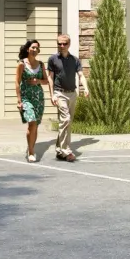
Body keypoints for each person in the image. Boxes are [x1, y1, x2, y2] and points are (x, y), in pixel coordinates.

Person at [46, 34, 82, 163]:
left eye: (64, 44)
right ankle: (66, 151)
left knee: (67, 123)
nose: (61, 46)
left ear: (69, 44)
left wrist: (86, 87)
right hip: (59, 93)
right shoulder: (53, 59)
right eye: (59, 44)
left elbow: (81, 75)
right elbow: (50, 77)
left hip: (72, 93)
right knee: (65, 119)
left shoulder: (75, 60)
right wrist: (52, 94)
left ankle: (59, 150)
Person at [15, 38, 49, 162]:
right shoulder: (21, 64)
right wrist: (19, 101)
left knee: (35, 126)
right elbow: (17, 82)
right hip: (26, 97)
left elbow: (46, 81)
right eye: (33, 47)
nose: (35, 50)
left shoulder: (41, 65)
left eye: (37, 48)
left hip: (38, 98)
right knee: (32, 122)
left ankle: (31, 147)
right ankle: (31, 151)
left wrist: (38, 81)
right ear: (28, 49)